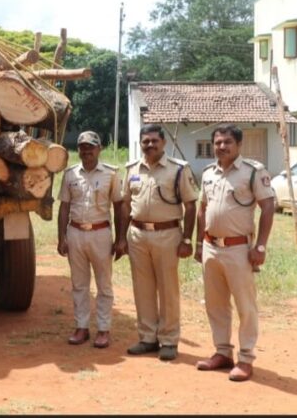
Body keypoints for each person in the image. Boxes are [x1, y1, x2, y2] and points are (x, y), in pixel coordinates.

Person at [194, 124, 274, 382]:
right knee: (216, 305)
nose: (222, 146)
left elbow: (268, 207)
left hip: (239, 249)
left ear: (238, 145)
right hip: (210, 247)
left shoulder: (252, 172)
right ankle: (222, 352)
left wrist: (260, 246)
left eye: (227, 142)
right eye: (217, 142)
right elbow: (202, 208)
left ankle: (246, 358)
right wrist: (198, 244)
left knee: (245, 306)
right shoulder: (208, 173)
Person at [114, 124, 197, 361]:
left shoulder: (178, 170)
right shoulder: (132, 169)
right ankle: (147, 338)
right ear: (140, 144)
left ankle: (169, 340)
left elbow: (190, 205)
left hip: (167, 235)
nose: (149, 145)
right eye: (145, 141)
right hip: (138, 235)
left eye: (154, 141)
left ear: (164, 143)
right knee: (143, 289)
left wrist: (187, 239)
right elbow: (125, 205)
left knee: (168, 289)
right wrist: (121, 237)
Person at [57, 131, 123, 349]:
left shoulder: (111, 174)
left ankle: (103, 330)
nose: (86, 151)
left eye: (91, 147)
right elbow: (64, 206)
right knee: (79, 284)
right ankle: (81, 327)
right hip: (75, 233)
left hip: (101, 234)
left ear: (99, 148)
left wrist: (121, 239)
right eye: (82, 147)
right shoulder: (70, 175)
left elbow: (119, 206)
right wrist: (61, 237)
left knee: (104, 285)